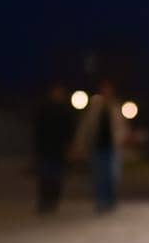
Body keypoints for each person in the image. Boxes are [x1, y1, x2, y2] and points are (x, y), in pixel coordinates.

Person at [69, 80, 129, 212]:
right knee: (98, 175)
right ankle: (100, 201)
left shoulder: (115, 108)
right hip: (97, 146)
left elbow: (122, 128)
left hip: (112, 147)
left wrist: (120, 140)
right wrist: (79, 144)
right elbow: (85, 127)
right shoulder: (94, 108)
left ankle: (111, 199)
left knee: (111, 175)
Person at [34, 84, 73, 213]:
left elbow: (69, 131)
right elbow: (38, 130)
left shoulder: (65, 111)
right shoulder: (44, 109)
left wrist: (69, 146)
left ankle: (53, 201)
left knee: (56, 177)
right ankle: (44, 201)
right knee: (45, 176)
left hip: (59, 150)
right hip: (46, 149)